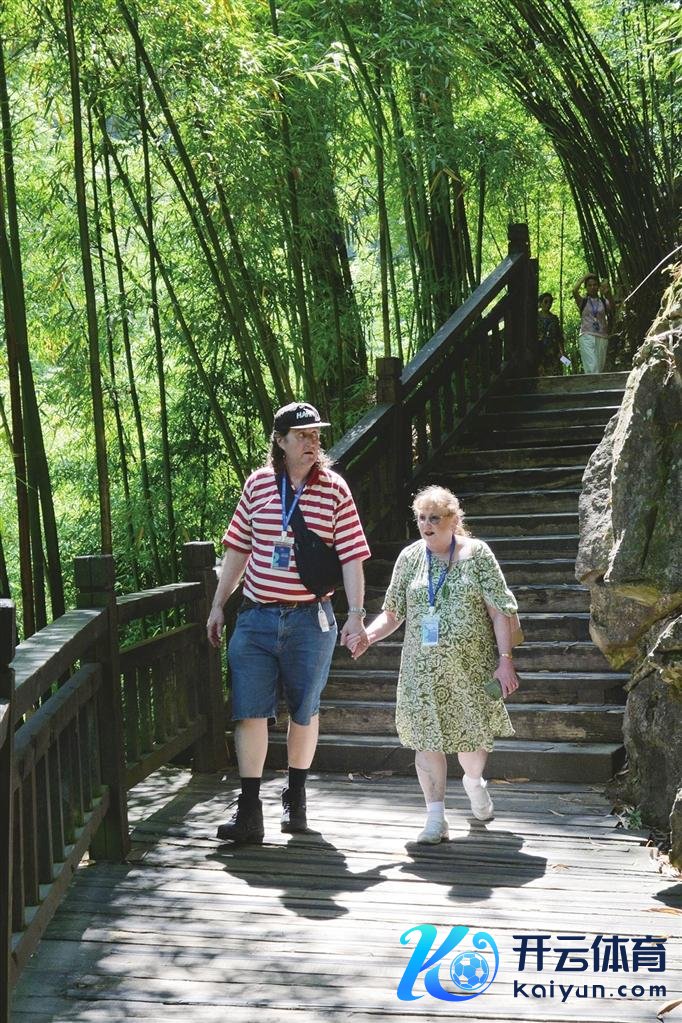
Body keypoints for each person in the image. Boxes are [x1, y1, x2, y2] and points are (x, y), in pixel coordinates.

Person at [207, 401, 370, 844]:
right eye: (302, 435)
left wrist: (356, 616)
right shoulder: (258, 484)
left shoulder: (334, 489)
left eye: (316, 435)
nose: (312, 442)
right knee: (248, 711)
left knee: (304, 710)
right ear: (280, 441)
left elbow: (352, 557)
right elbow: (238, 549)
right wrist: (219, 604)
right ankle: (249, 812)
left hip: (310, 619)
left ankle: (295, 797)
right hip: (256, 616)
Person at [347, 486, 519, 844]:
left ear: (453, 520)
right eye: (421, 518)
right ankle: (435, 818)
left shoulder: (478, 554)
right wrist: (368, 636)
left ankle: (474, 782)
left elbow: (500, 610)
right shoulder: (409, 557)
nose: (427, 525)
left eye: (434, 518)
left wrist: (505, 662)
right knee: (425, 739)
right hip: (421, 672)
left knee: (472, 744)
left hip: (471, 669)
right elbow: (393, 612)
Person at [572, 273, 614, 374]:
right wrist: (585, 277)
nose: (592, 287)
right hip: (586, 335)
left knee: (599, 368)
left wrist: (608, 294)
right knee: (592, 367)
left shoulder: (603, 301)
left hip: (602, 336)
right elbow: (574, 291)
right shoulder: (583, 301)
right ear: (586, 287)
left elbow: (613, 308)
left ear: (598, 287)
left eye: (595, 285)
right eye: (589, 285)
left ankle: (595, 384)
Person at [537, 292, 566, 375]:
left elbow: (559, 337)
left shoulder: (554, 318)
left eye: (550, 302)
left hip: (554, 351)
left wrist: (562, 353)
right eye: (545, 302)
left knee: (557, 374)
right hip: (540, 352)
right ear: (540, 303)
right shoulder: (536, 318)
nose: (548, 304)